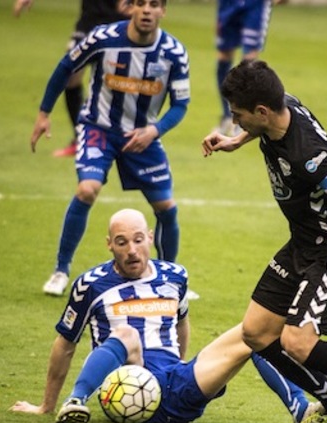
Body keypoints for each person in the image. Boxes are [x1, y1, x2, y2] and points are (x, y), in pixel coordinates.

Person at [10, 209, 323, 423]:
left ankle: (302, 412)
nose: (132, 251)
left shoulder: (175, 276)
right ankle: (74, 402)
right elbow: (65, 344)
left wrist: (184, 365)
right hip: (125, 388)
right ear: (109, 244)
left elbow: (181, 324)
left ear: (149, 237)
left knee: (256, 333)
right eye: (121, 242)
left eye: (137, 240)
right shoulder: (90, 284)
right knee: (127, 334)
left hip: (175, 384)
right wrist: (45, 406)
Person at [201, 60, 327, 423]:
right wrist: (235, 140)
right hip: (301, 241)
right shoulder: (282, 107)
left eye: (238, 116)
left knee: (297, 342)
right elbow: (280, 105)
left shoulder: (310, 155)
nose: (234, 120)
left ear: (262, 112)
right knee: (256, 332)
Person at [29, 0, 197, 300]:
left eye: (155, 4)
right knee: (87, 189)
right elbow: (67, 66)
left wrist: (154, 130)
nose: (147, 10)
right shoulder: (102, 38)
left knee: (167, 209)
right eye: (141, 3)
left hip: (142, 137)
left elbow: (181, 104)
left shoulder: (174, 52)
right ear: (127, 7)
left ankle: (171, 278)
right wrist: (44, 113)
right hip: (99, 129)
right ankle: (60, 270)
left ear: (163, 11)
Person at [13, 0, 131, 157]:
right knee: (70, 76)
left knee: (121, 82)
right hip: (89, 21)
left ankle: (123, 137)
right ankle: (81, 139)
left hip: (120, 20)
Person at [214, 0, 286, 135]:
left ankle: (244, 117)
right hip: (228, 3)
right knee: (223, 56)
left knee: (249, 61)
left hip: (255, 4)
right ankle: (227, 116)